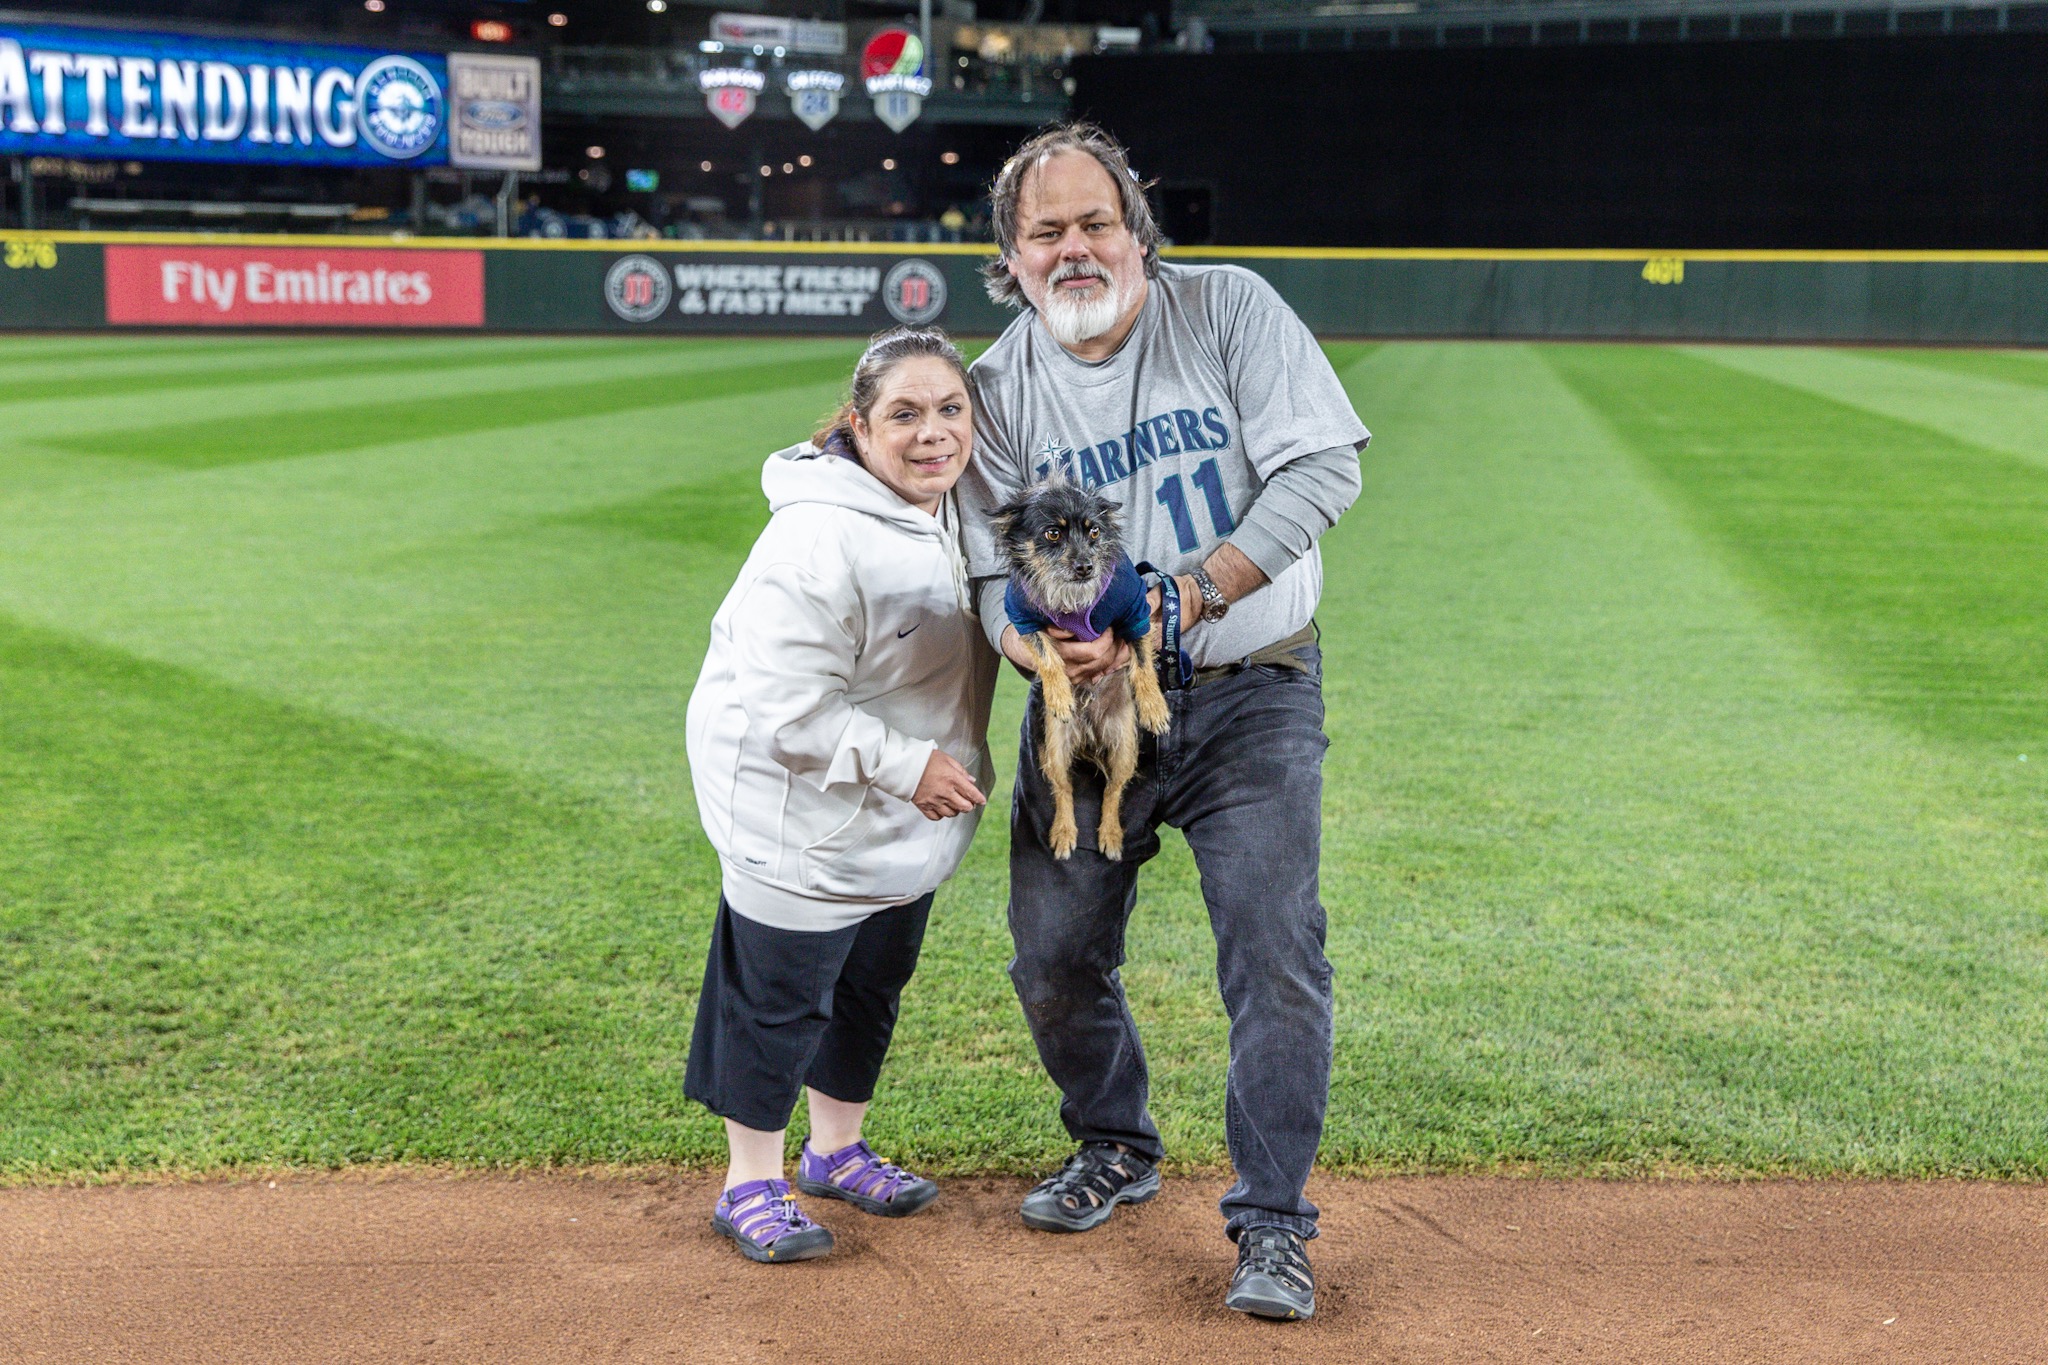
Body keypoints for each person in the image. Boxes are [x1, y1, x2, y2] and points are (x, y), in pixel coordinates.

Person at [955, 123, 1371, 1321]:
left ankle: (1273, 1227)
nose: (1074, 248)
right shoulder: (996, 392)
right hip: (1078, 707)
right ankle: (1114, 1143)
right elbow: (987, 576)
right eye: (1047, 232)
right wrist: (1031, 645)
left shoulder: (1228, 309)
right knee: (1053, 956)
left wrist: (1196, 589)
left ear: (1136, 230)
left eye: (1096, 223)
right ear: (1012, 254)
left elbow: (1321, 470)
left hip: (1251, 690)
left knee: (1274, 953)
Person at [684, 326, 997, 1263]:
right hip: (796, 812)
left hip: (903, 815)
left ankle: (836, 1150)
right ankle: (748, 1183)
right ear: (859, 428)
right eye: (905, 414)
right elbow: (788, 710)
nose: (932, 432)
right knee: (778, 1002)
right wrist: (909, 767)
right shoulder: (814, 538)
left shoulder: (953, 510)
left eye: (950, 410)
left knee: (869, 988)